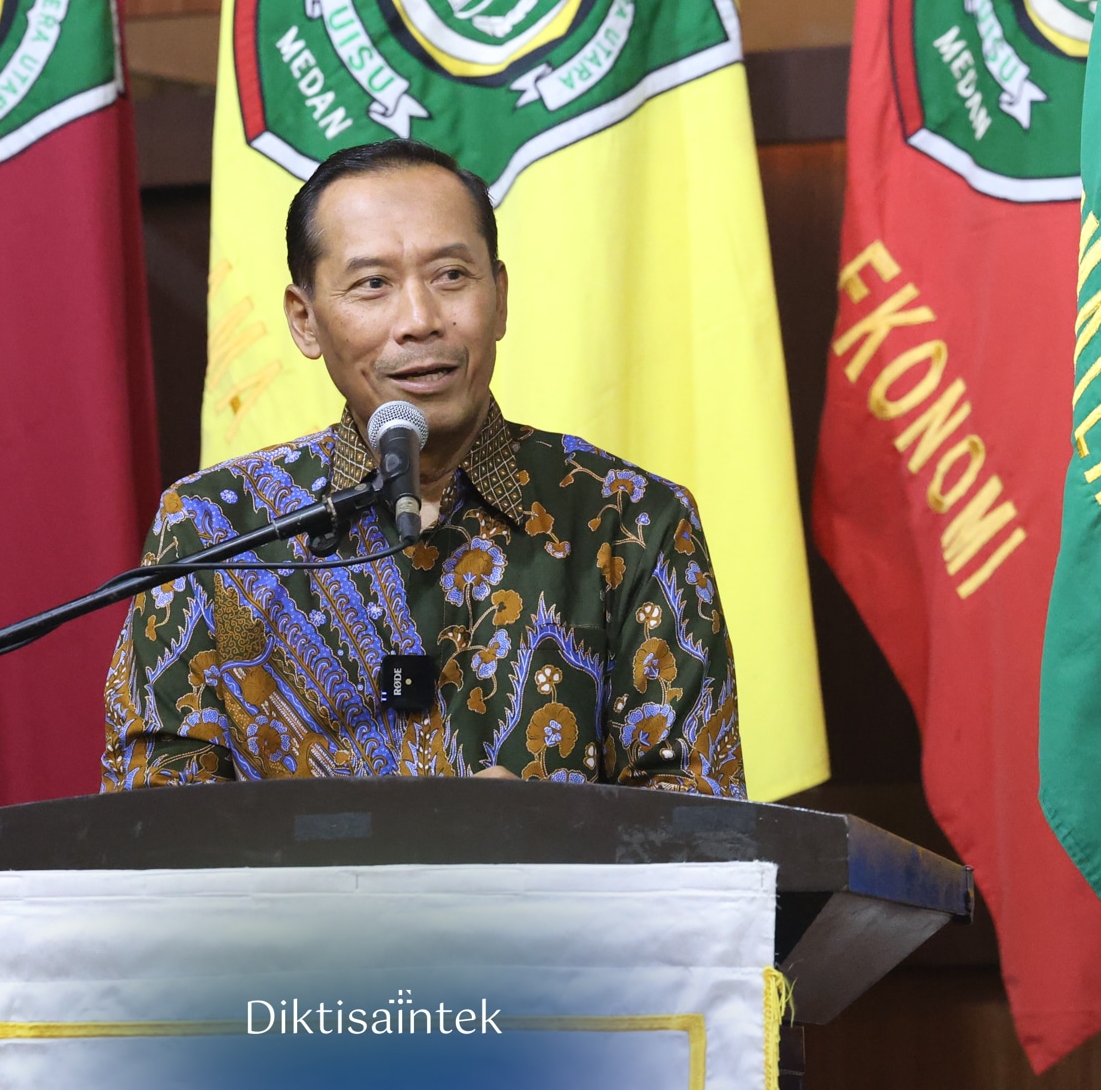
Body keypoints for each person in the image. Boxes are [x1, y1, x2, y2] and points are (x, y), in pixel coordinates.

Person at [100, 140, 743, 795]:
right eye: (373, 284)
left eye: (451, 276)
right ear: (305, 321)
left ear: (499, 295)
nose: (420, 320)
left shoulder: (627, 516)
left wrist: (548, 838)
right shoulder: (214, 528)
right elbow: (152, 826)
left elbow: (698, 826)